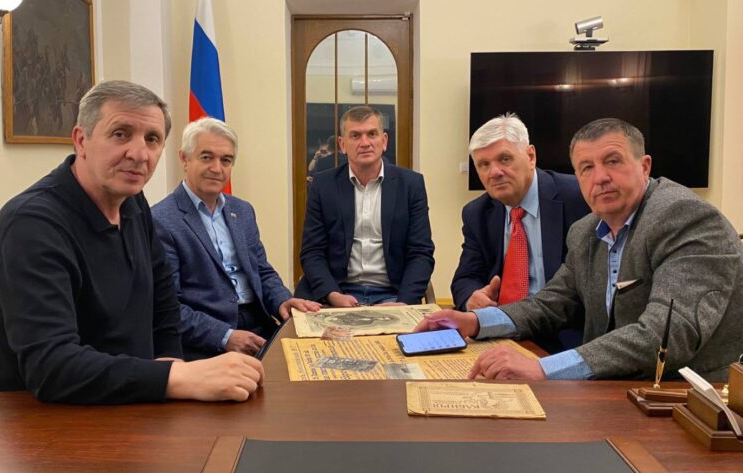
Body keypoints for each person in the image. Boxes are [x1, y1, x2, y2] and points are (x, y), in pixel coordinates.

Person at [0, 80, 265, 404]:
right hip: (43, 419)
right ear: (81, 140)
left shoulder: (133, 203)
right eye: (120, 134)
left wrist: (172, 365)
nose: (139, 154)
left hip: (131, 401)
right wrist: (176, 377)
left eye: (152, 139)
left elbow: (164, 305)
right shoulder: (30, 225)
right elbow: (52, 368)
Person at [416, 118, 743, 382]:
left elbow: (666, 335)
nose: (600, 177)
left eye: (612, 161)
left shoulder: (685, 217)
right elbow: (550, 304)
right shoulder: (586, 231)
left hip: (687, 400)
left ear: (644, 166)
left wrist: (543, 368)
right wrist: (473, 321)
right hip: (611, 388)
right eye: (586, 168)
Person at [151, 117, 320, 360]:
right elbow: (168, 308)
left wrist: (283, 301)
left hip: (261, 324)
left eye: (226, 160)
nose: (217, 168)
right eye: (206, 157)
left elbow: (262, 271)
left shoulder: (242, 211)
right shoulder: (161, 220)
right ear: (184, 159)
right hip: (207, 340)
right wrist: (225, 336)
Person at [451, 113, 589, 316]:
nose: (494, 172)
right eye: (484, 164)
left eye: (504, 159)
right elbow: (465, 279)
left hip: (562, 324)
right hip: (501, 322)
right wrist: (472, 297)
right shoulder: (477, 213)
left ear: (530, 156)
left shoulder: (578, 196)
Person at [296, 105, 435, 306]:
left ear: (384, 141)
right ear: (342, 145)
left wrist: (404, 302)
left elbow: (421, 253)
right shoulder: (323, 186)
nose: (365, 143)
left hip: (392, 295)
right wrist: (333, 295)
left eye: (372, 134)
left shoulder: (411, 185)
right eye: (355, 136)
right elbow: (312, 252)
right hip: (337, 293)